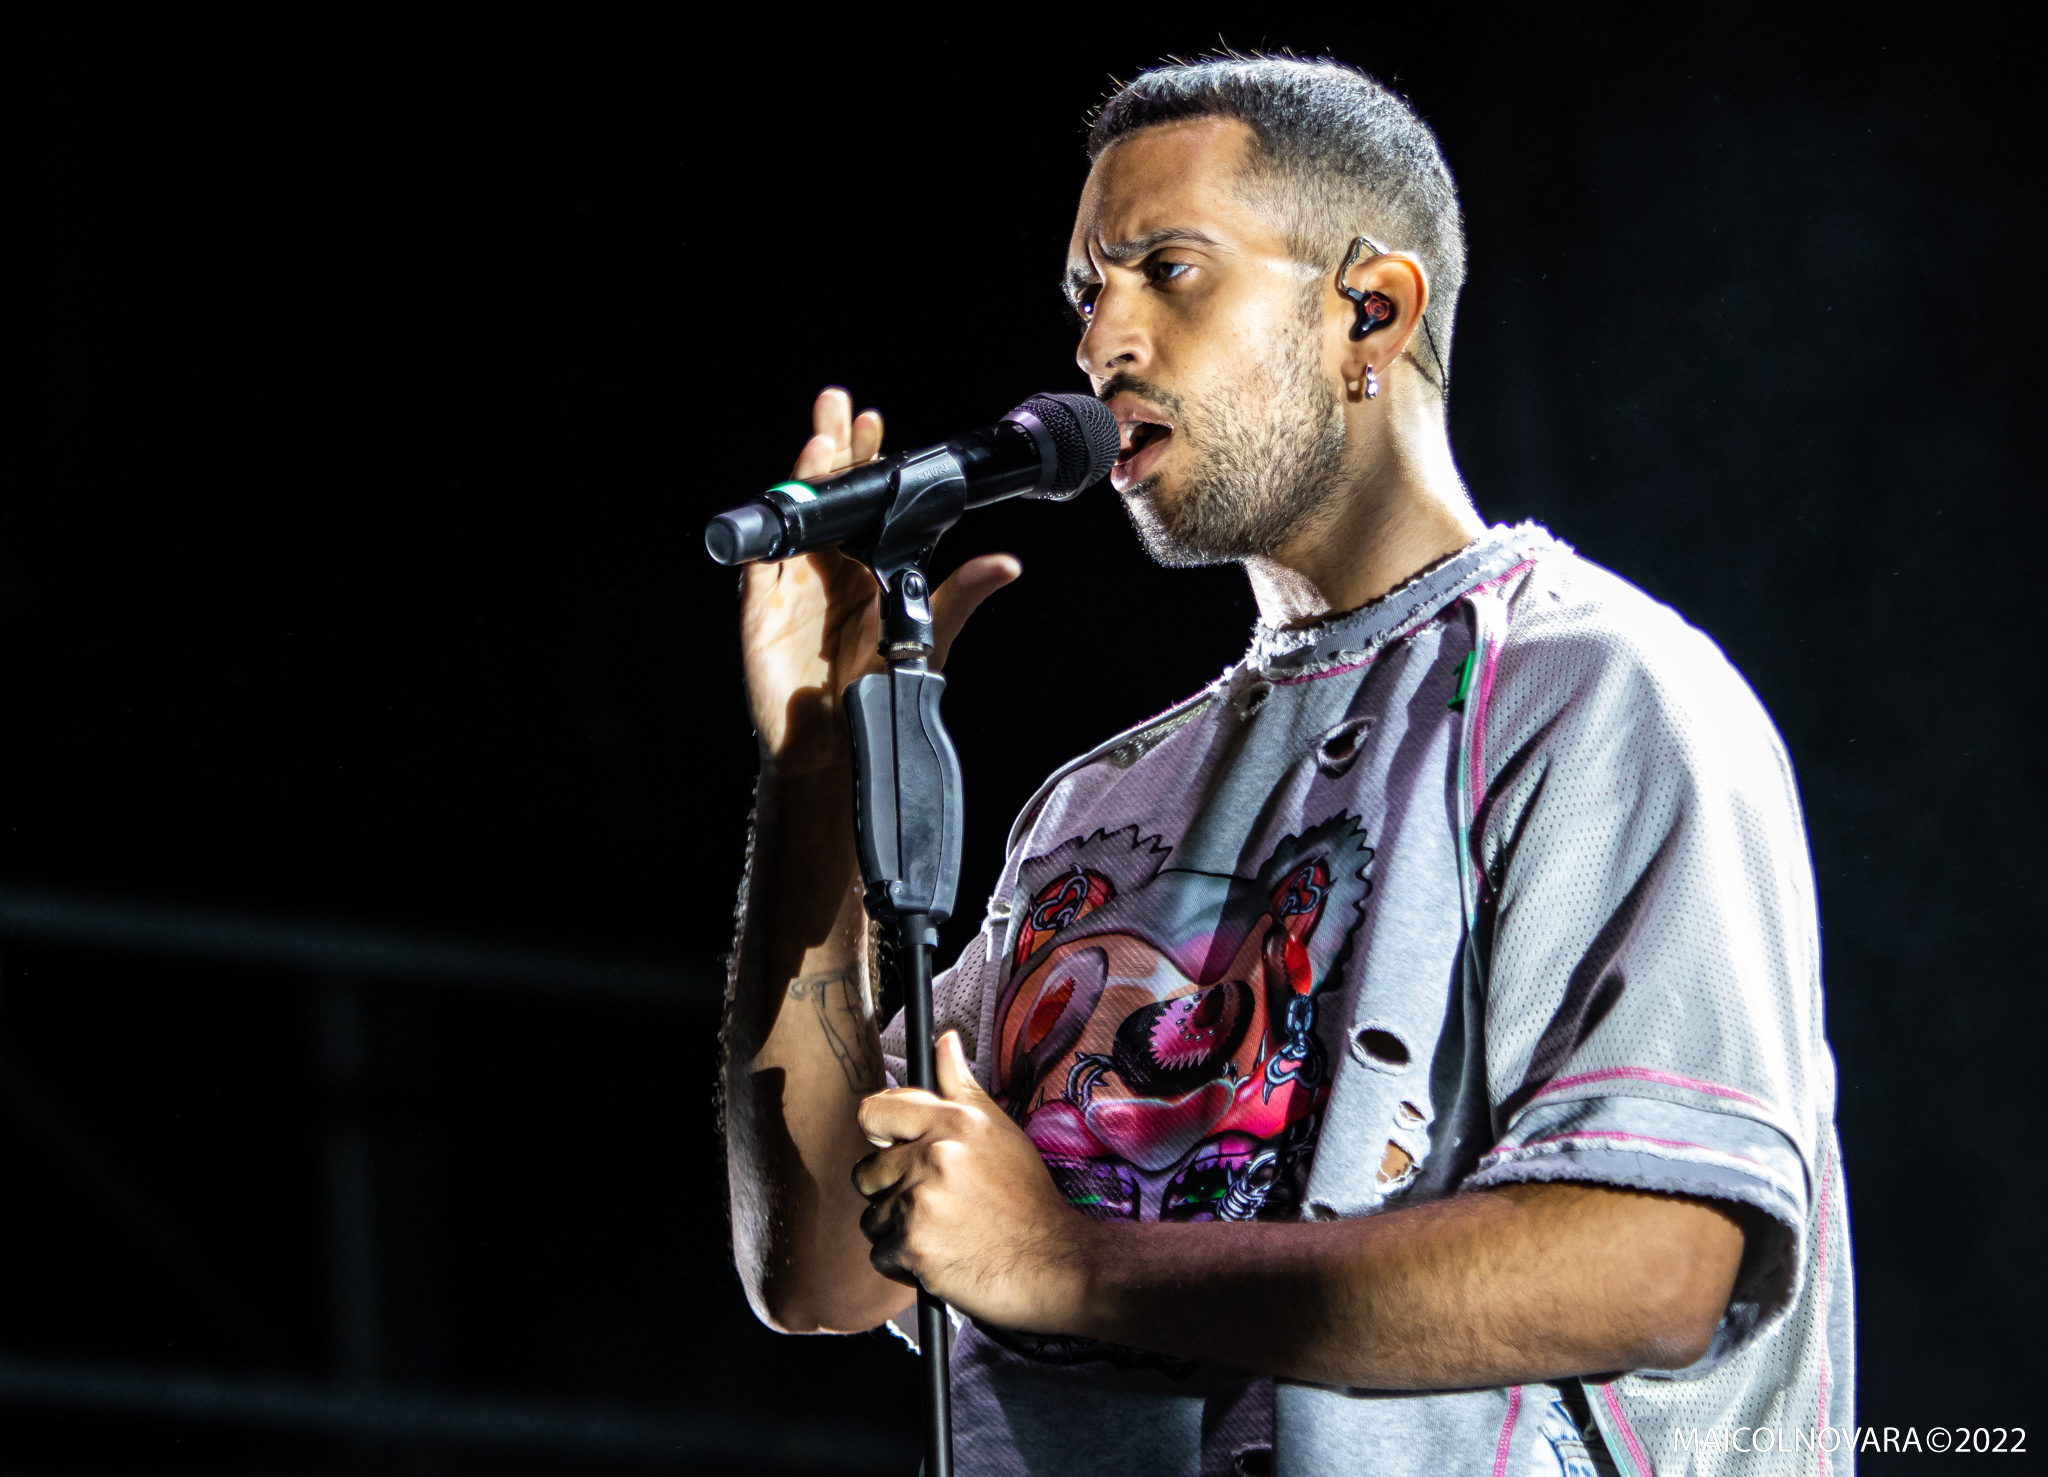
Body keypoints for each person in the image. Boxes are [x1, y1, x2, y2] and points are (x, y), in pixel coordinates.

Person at [720, 55, 1851, 1477]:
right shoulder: (1092, 809)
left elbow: (1660, 1263)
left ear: (1369, 309)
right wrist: (814, 776)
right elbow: (822, 1264)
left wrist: (1073, 1265)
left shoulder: (1596, 694)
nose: (1101, 343)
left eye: (1167, 271)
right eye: (1086, 294)